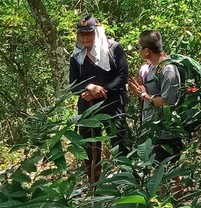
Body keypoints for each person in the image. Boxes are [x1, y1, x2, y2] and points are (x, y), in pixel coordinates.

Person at [69, 15, 131, 185]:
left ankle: (128, 183)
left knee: (120, 141)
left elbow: (122, 76)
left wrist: (101, 90)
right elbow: (73, 85)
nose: (86, 37)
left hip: (112, 102)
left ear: (97, 32)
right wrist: (89, 87)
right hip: (88, 105)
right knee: (89, 146)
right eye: (82, 34)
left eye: (89, 33)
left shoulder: (113, 48)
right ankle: (94, 186)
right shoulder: (76, 56)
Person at [129, 30, 183, 164]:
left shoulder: (168, 70)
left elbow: (168, 101)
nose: (138, 50)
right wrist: (140, 93)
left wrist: (145, 95)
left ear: (147, 51)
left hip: (166, 132)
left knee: (168, 172)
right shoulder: (153, 67)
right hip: (153, 130)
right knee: (160, 172)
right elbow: (152, 93)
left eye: (138, 47)